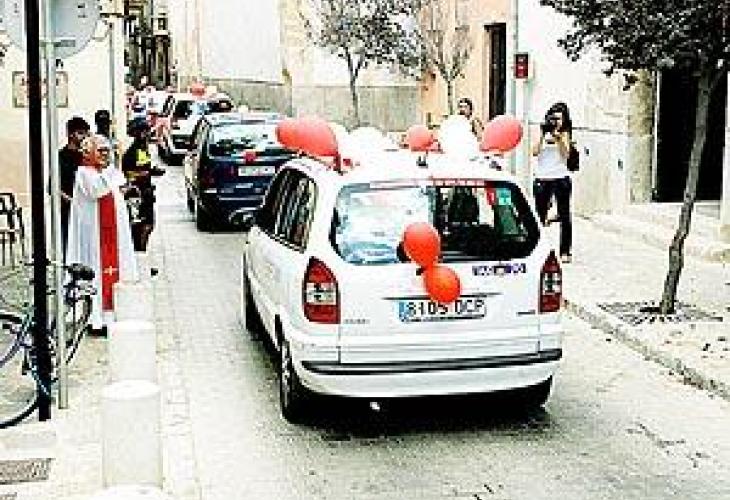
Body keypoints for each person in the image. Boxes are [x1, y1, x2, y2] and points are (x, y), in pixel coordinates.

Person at [66, 135, 137, 334]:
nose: (106, 155)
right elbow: (98, 190)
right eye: (101, 151)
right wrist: (112, 170)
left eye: (107, 151)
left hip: (112, 233)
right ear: (89, 153)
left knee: (115, 269)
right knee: (97, 272)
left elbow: (120, 184)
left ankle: (113, 315)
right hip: (95, 236)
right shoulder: (84, 173)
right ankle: (96, 319)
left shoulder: (107, 171)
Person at [531, 102, 574, 263]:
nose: (556, 122)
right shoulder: (542, 131)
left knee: (565, 215)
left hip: (560, 177)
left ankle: (565, 250)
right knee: (539, 215)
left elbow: (566, 155)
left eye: (559, 119)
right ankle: (538, 248)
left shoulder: (565, 133)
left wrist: (558, 138)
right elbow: (534, 152)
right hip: (542, 177)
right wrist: (543, 135)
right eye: (554, 118)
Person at [122, 118, 163, 252]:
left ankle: (141, 249)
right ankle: (139, 251)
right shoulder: (132, 151)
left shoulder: (143, 149)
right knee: (141, 225)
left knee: (149, 223)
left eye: (147, 131)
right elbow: (128, 173)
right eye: (143, 132)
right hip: (136, 194)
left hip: (146, 192)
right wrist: (148, 173)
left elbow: (144, 167)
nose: (146, 134)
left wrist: (151, 171)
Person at [57, 117, 91, 254]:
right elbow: (53, 187)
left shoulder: (86, 157)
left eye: (86, 134)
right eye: (81, 133)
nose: (84, 137)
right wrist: (71, 201)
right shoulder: (61, 157)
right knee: (70, 246)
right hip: (69, 210)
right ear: (71, 134)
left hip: (88, 209)